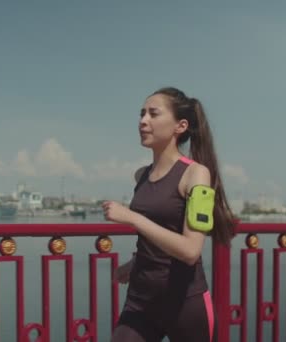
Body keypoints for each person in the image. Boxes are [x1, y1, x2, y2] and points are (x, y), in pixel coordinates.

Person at [102, 87, 236, 342]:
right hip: (140, 300)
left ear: (180, 126)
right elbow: (160, 232)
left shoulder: (197, 175)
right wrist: (136, 263)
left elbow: (190, 250)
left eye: (153, 114)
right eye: (141, 114)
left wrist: (132, 217)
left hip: (185, 302)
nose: (143, 121)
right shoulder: (141, 176)